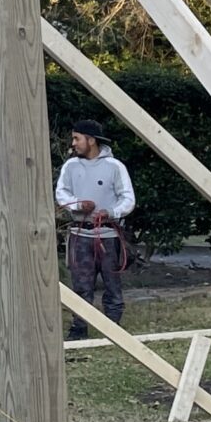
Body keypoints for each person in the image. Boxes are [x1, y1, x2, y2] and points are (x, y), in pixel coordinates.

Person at [55, 122, 134, 330]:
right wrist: (80, 204)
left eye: (77, 139)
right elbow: (61, 193)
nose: (73, 144)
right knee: (81, 285)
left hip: (108, 235)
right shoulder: (70, 166)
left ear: (91, 140)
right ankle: (79, 327)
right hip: (80, 234)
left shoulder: (115, 167)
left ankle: (113, 328)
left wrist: (111, 212)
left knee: (112, 283)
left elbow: (128, 198)